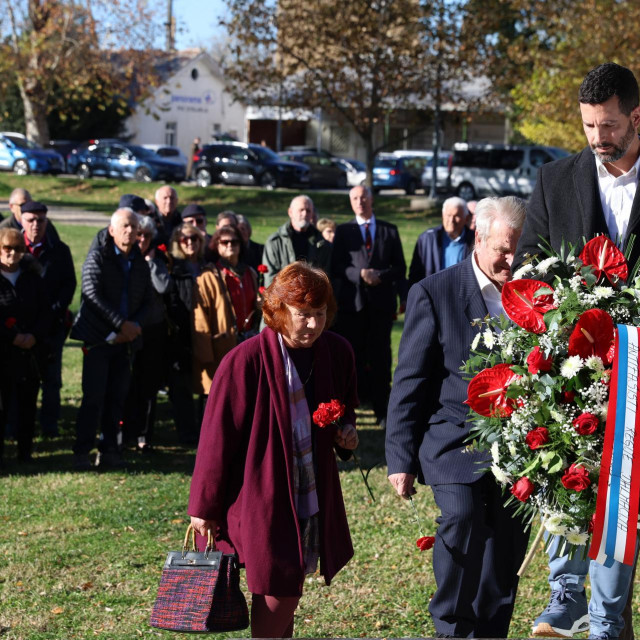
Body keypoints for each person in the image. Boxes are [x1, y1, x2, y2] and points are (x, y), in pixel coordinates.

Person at [515, 62, 640, 640]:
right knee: (568, 469)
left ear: (636, 117)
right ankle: (564, 597)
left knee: (623, 485)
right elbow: (526, 269)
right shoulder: (554, 179)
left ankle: (609, 620)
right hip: (570, 367)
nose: (597, 138)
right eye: (589, 125)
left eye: (609, 125)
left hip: (638, 374)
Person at [188, 262, 359, 638]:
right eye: (303, 315)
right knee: (280, 582)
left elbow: (345, 409)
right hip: (260, 493)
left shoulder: (337, 352)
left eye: (320, 314)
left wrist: (346, 434)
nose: (313, 325)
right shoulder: (244, 361)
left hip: (310, 490)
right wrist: (203, 507)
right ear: (279, 312)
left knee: (287, 578)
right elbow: (217, 438)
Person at [386, 196, 529, 638]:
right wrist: (400, 459)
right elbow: (410, 380)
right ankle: (451, 623)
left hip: (521, 444)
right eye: (503, 249)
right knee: (463, 516)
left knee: (505, 544)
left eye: (518, 249)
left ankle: (489, 630)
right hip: (454, 438)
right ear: (478, 236)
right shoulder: (434, 292)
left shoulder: (536, 294)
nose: (511, 259)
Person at [70, 208, 152, 470]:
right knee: (93, 397)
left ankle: (110, 451)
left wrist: (135, 325)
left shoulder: (138, 261)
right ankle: (82, 451)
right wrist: (121, 325)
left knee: (117, 398)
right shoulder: (98, 256)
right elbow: (91, 294)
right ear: (112, 230)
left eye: (134, 227)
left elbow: (149, 299)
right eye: (125, 226)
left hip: (126, 341)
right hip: (98, 338)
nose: (130, 231)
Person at [330, 185, 406, 428]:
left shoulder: (388, 230)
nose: (360, 201)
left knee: (381, 359)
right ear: (351, 202)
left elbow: (399, 267)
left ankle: (382, 411)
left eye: (363, 197)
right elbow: (337, 267)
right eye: (354, 198)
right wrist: (359, 274)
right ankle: (351, 409)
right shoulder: (344, 231)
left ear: (371, 200)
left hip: (380, 307)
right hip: (352, 307)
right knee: (352, 359)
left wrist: (380, 275)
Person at [20, 201, 76, 438]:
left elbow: (69, 284)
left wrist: (54, 310)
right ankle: (18, 426)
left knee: (51, 379)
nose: (35, 225)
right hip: (20, 328)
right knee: (19, 379)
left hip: (51, 327)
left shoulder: (59, 250)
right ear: (21, 220)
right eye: (30, 220)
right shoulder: (10, 247)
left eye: (40, 220)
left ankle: (50, 426)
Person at [0, 228, 50, 465]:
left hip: (30, 352)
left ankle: (25, 452)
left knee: (27, 404)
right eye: (6, 248)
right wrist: (11, 336)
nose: (12, 254)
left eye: (18, 249)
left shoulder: (33, 278)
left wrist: (34, 336)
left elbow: (45, 312)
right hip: (3, 351)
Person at [122, 215, 170, 453]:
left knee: (148, 384)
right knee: (125, 381)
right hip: (127, 328)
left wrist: (151, 264)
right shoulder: (123, 257)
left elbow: (163, 287)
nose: (141, 239)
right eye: (138, 234)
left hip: (153, 329)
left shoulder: (157, 259)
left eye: (146, 236)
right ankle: (123, 431)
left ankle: (143, 435)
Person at [192, 225, 258, 399]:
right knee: (219, 398)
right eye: (225, 242)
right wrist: (206, 356)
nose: (230, 245)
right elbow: (200, 318)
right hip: (221, 347)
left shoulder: (250, 273)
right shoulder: (209, 276)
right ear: (217, 246)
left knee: (246, 396)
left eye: (234, 241)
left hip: (248, 342)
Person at [163, 223, 205, 444]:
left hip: (205, 334)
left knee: (207, 386)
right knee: (182, 385)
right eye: (185, 239)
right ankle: (187, 433)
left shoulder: (208, 266)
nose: (190, 242)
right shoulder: (174, 267)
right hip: (181, 334)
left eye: (194, 238)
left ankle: (206, 430)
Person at [262, 195, 331, 288]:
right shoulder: (275, 242)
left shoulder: (321, 243)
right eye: (301, 210)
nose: (305, 213)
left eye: (308, 210)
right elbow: (270, 277)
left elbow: (326, 276)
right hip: (284, 298)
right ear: (290, 212)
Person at [408, 196, 473, 286]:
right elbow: (414, 276)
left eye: (456, 216)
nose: (451, 220)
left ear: (466, 218)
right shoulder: (426, 239)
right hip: (433, 295)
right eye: (448, 215)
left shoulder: (476, 241)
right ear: (442, 216)